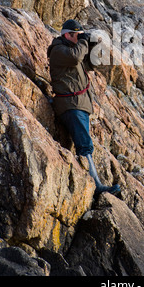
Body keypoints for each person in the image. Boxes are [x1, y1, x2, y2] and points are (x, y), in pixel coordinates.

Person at [47, 19, 121, 198]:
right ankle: (96, 186)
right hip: (71, 105)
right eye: (76, 35)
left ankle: (93, 184)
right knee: (85, 146)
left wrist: (95, 43)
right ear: (67, 34)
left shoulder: (74, 51)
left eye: (80, 35)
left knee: (83, 144)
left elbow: (93, 64)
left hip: (79, 105)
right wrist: (83, 41)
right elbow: (75, 57)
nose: (79, 38)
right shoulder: (59, 51)